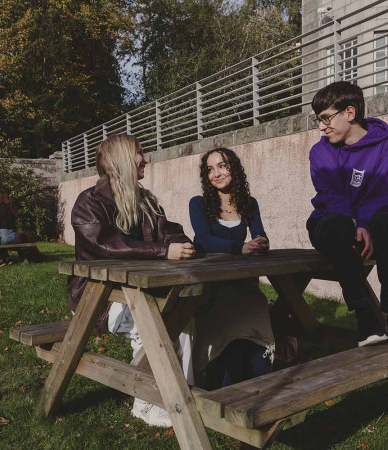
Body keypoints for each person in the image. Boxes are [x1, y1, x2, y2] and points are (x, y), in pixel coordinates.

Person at [68, 134, 196, 427]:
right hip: (97, 297)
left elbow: (171, 231)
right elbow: (105, 245)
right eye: (140, 153)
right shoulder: (88, 202)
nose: (146, 158)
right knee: (149, 325)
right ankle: (147, 404)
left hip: (140, 291)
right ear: (123, 159)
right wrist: (164, 251)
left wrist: (182, 244)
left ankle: (180, 398)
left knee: (184, 319)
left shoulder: (147, 201)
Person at [307, 81, 388, 347]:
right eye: (318, 120)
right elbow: (330, 194)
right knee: (337, 225)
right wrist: (356, 222)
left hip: (374, 229)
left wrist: (366, 222)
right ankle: (365, 317)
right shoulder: (321, 151)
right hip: (331, 226)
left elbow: (386, 194)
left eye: (325, 118)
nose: (321, 127)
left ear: (349, 113)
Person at [189, 148, 274, 389]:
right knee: (233, 348)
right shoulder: (199, 204)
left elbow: (259, 232)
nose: (216, 173)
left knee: (254, 342)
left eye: (222, 166)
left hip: (243, 283)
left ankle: (259, 381)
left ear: (233, 168)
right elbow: (204, 240)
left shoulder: (248, 203)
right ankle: (226, 382)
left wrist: (261, 242)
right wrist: (241, 248)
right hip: (212, 287)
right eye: (210, 169)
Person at [0, 189, 21, 263]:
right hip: (14, 237)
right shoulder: (11, 207)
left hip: (3, 235)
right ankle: (7, 258)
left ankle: (1, 259)